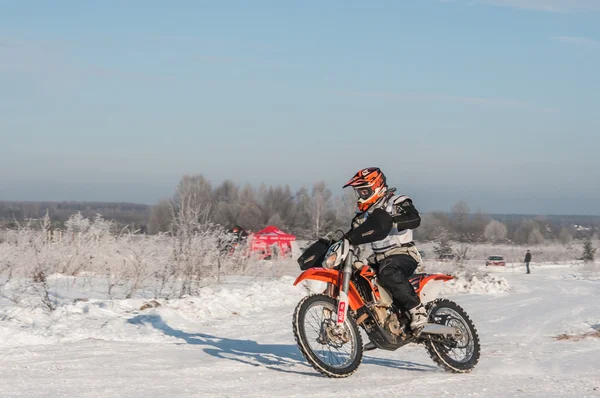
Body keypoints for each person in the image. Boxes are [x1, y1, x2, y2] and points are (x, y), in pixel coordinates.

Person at [343, 167, 427, 333]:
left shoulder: (396, 201)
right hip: (379, 259)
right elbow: (353, 234)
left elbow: (414, 218)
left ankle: (417, 310)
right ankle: (376, 324)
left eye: (364, 191)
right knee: (359, 277)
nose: (361, 195)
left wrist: (392, 221)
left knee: (388, 271)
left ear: (376, 186)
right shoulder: (363, 214)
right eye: (358, 192)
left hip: (403, 254)